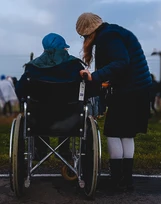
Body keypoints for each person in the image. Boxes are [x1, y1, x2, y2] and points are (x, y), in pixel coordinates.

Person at [76, 12, 152, 192]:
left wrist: (94, 77)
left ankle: (116, 180)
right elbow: (123, 64)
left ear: (89, 32)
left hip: (128, 91)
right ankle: (127, 180)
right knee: (126, 134)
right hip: (139, 89)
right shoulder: (115, 32)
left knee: (113, 132)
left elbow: (121, 62)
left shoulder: (108, 37)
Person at [15, 33, 90, 161]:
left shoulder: (32, 67)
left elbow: (20, 90)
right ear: (63, 48)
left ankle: (42, 149)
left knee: (37, 112)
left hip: (39, 120)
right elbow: (88, 90)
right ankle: (64, 150)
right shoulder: (75, 66)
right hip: (69, 120)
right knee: (68, 110)